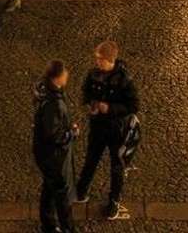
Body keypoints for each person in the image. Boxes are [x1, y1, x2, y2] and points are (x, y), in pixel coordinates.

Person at [75, 41, 139, 221]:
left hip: (116, 130)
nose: (97, 62)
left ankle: (114, 201)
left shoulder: (124, 80)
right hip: (97, 126)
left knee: (117, 167)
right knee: (91, 159)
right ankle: (81, 190)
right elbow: (86, 92)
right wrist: (91, 104)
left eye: (100, 59)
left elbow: (133, 105)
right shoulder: (93, 74)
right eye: (96, 59)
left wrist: (110, 108)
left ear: (110, 60)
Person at [33, 60, 79, 233]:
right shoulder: (54, 103)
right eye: (65, 72)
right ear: (57, 78)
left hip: (44, 154)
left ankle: (48, 224)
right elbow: (54, 135)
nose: (67, 74)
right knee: (61, 194)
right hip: (54, 157)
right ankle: (67, 228)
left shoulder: (45, 91)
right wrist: (71, 133)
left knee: (49, 186)